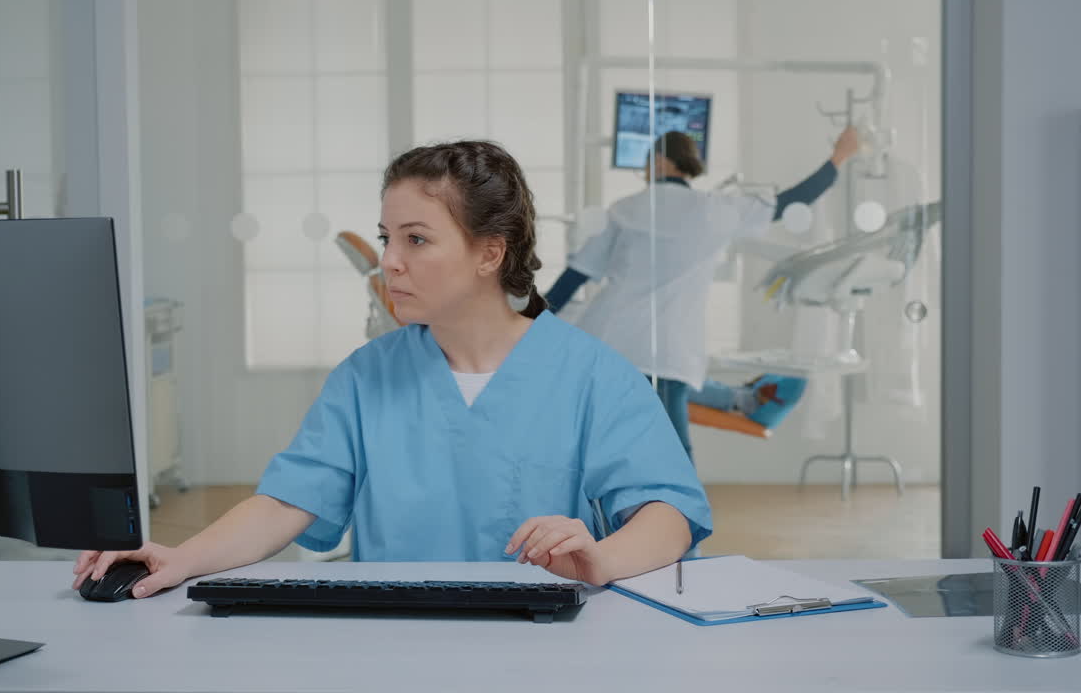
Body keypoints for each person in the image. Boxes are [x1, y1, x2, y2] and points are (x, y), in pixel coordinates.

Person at [73, 141, 711, 597]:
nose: (390, 262)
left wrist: (599, 561)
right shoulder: (364, 378)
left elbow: (669, 515)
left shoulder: (591, 375)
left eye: (417, 239)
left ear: (491, 252)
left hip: (547, 647)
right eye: (386, 238)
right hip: (394, 642)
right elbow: (285, 505)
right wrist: (181, 558)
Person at [545, 127, 860, 459]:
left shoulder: (624, 209)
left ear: (659, 161)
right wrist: (839, 157)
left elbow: (572, 279)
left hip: (606, 348)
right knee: (673, 457)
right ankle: (740, 402)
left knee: (611, 453)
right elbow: (794, 200)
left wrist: (525, 327)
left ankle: (740, 399)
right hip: (663, 355)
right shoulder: (716, 209)